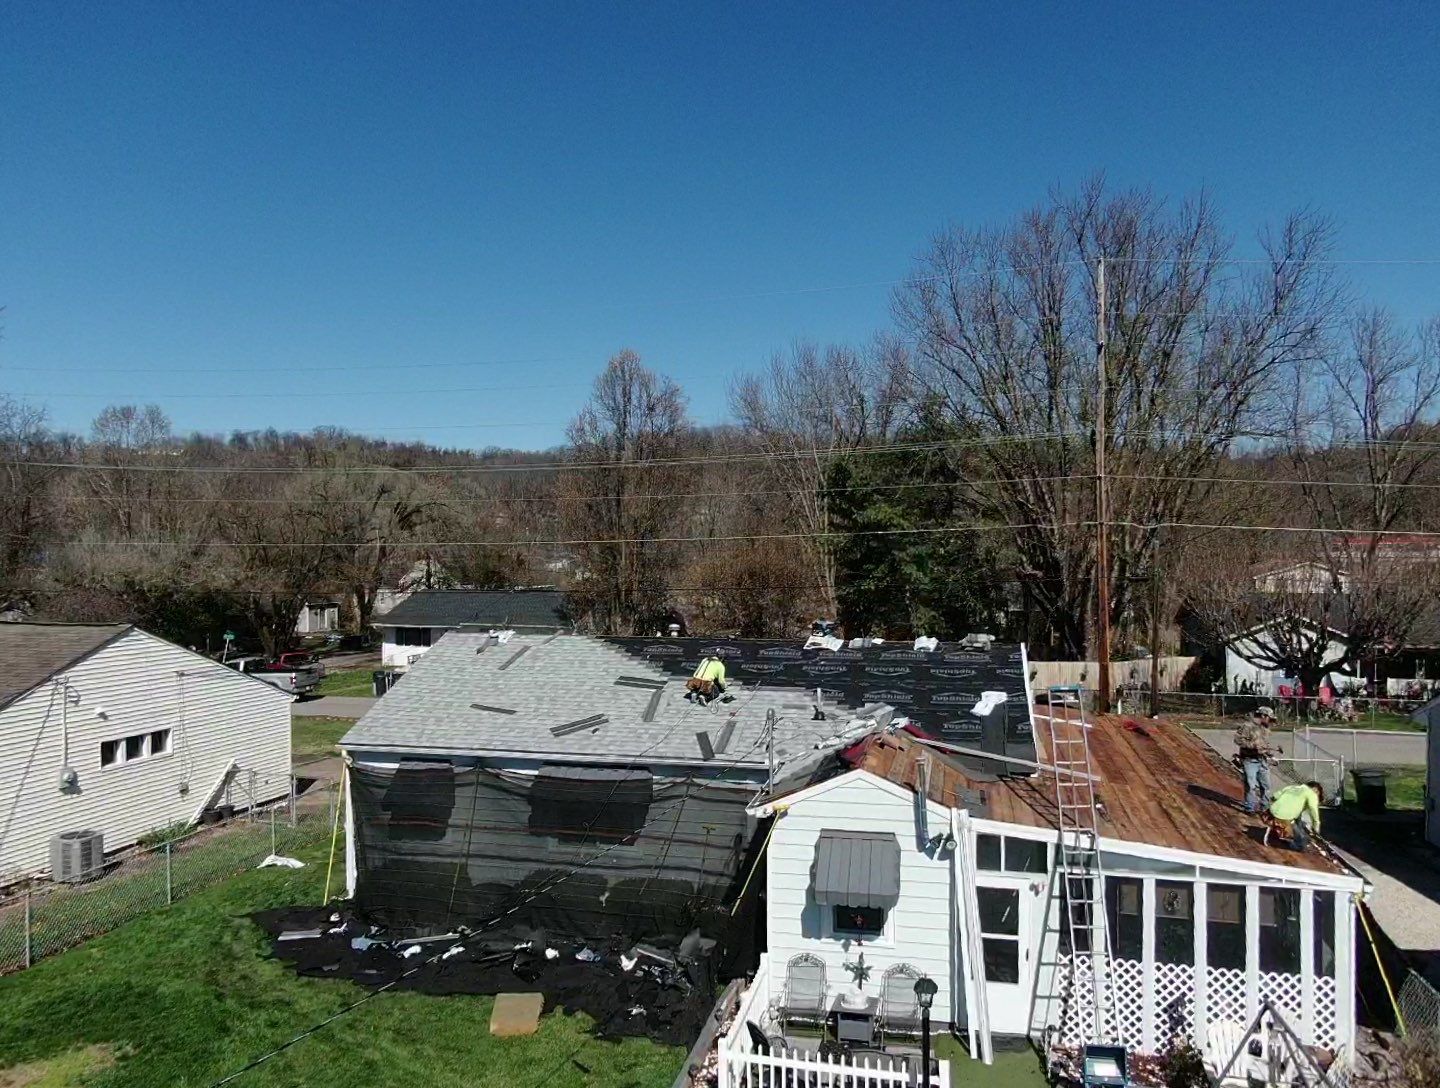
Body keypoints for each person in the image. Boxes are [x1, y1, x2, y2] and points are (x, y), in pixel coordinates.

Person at [1233, 706, 1278, 813]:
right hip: (1249, 760)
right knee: (1251, 785)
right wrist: (1252, 745)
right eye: (1269, 719)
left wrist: (1270, 755)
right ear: (1263, 716)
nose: (1270, 722)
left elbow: (1265, 745)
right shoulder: (1247, 726)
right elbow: (1237, 739)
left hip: (1262, 760)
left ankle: (1264, 807)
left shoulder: (1265, 729)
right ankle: (1250, 807)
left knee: (1266, 785)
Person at [1265, 781, 1325, 851]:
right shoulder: (1311, 794)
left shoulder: (1292, 787)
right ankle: (1283, 837)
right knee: (1301, 846)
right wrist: (1316, 831)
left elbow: (1274, 796)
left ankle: (1275, 828)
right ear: (1315, 790)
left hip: (1270, 812)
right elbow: (1314, 813)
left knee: (1298, 820)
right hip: (1284, 817)